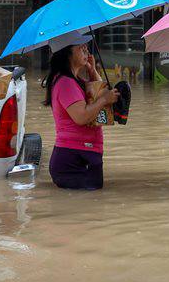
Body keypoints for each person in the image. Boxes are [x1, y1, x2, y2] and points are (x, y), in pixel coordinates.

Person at [45, 31, 130, 191]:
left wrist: (92, 71)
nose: (86, 50)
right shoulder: (65, 83)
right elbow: (82, 116)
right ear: (67, 53)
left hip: (81, 153)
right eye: (80, 47)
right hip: (73, 157)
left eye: (85, 47)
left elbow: (98, 91)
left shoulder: (75, 80)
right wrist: (104, 99)